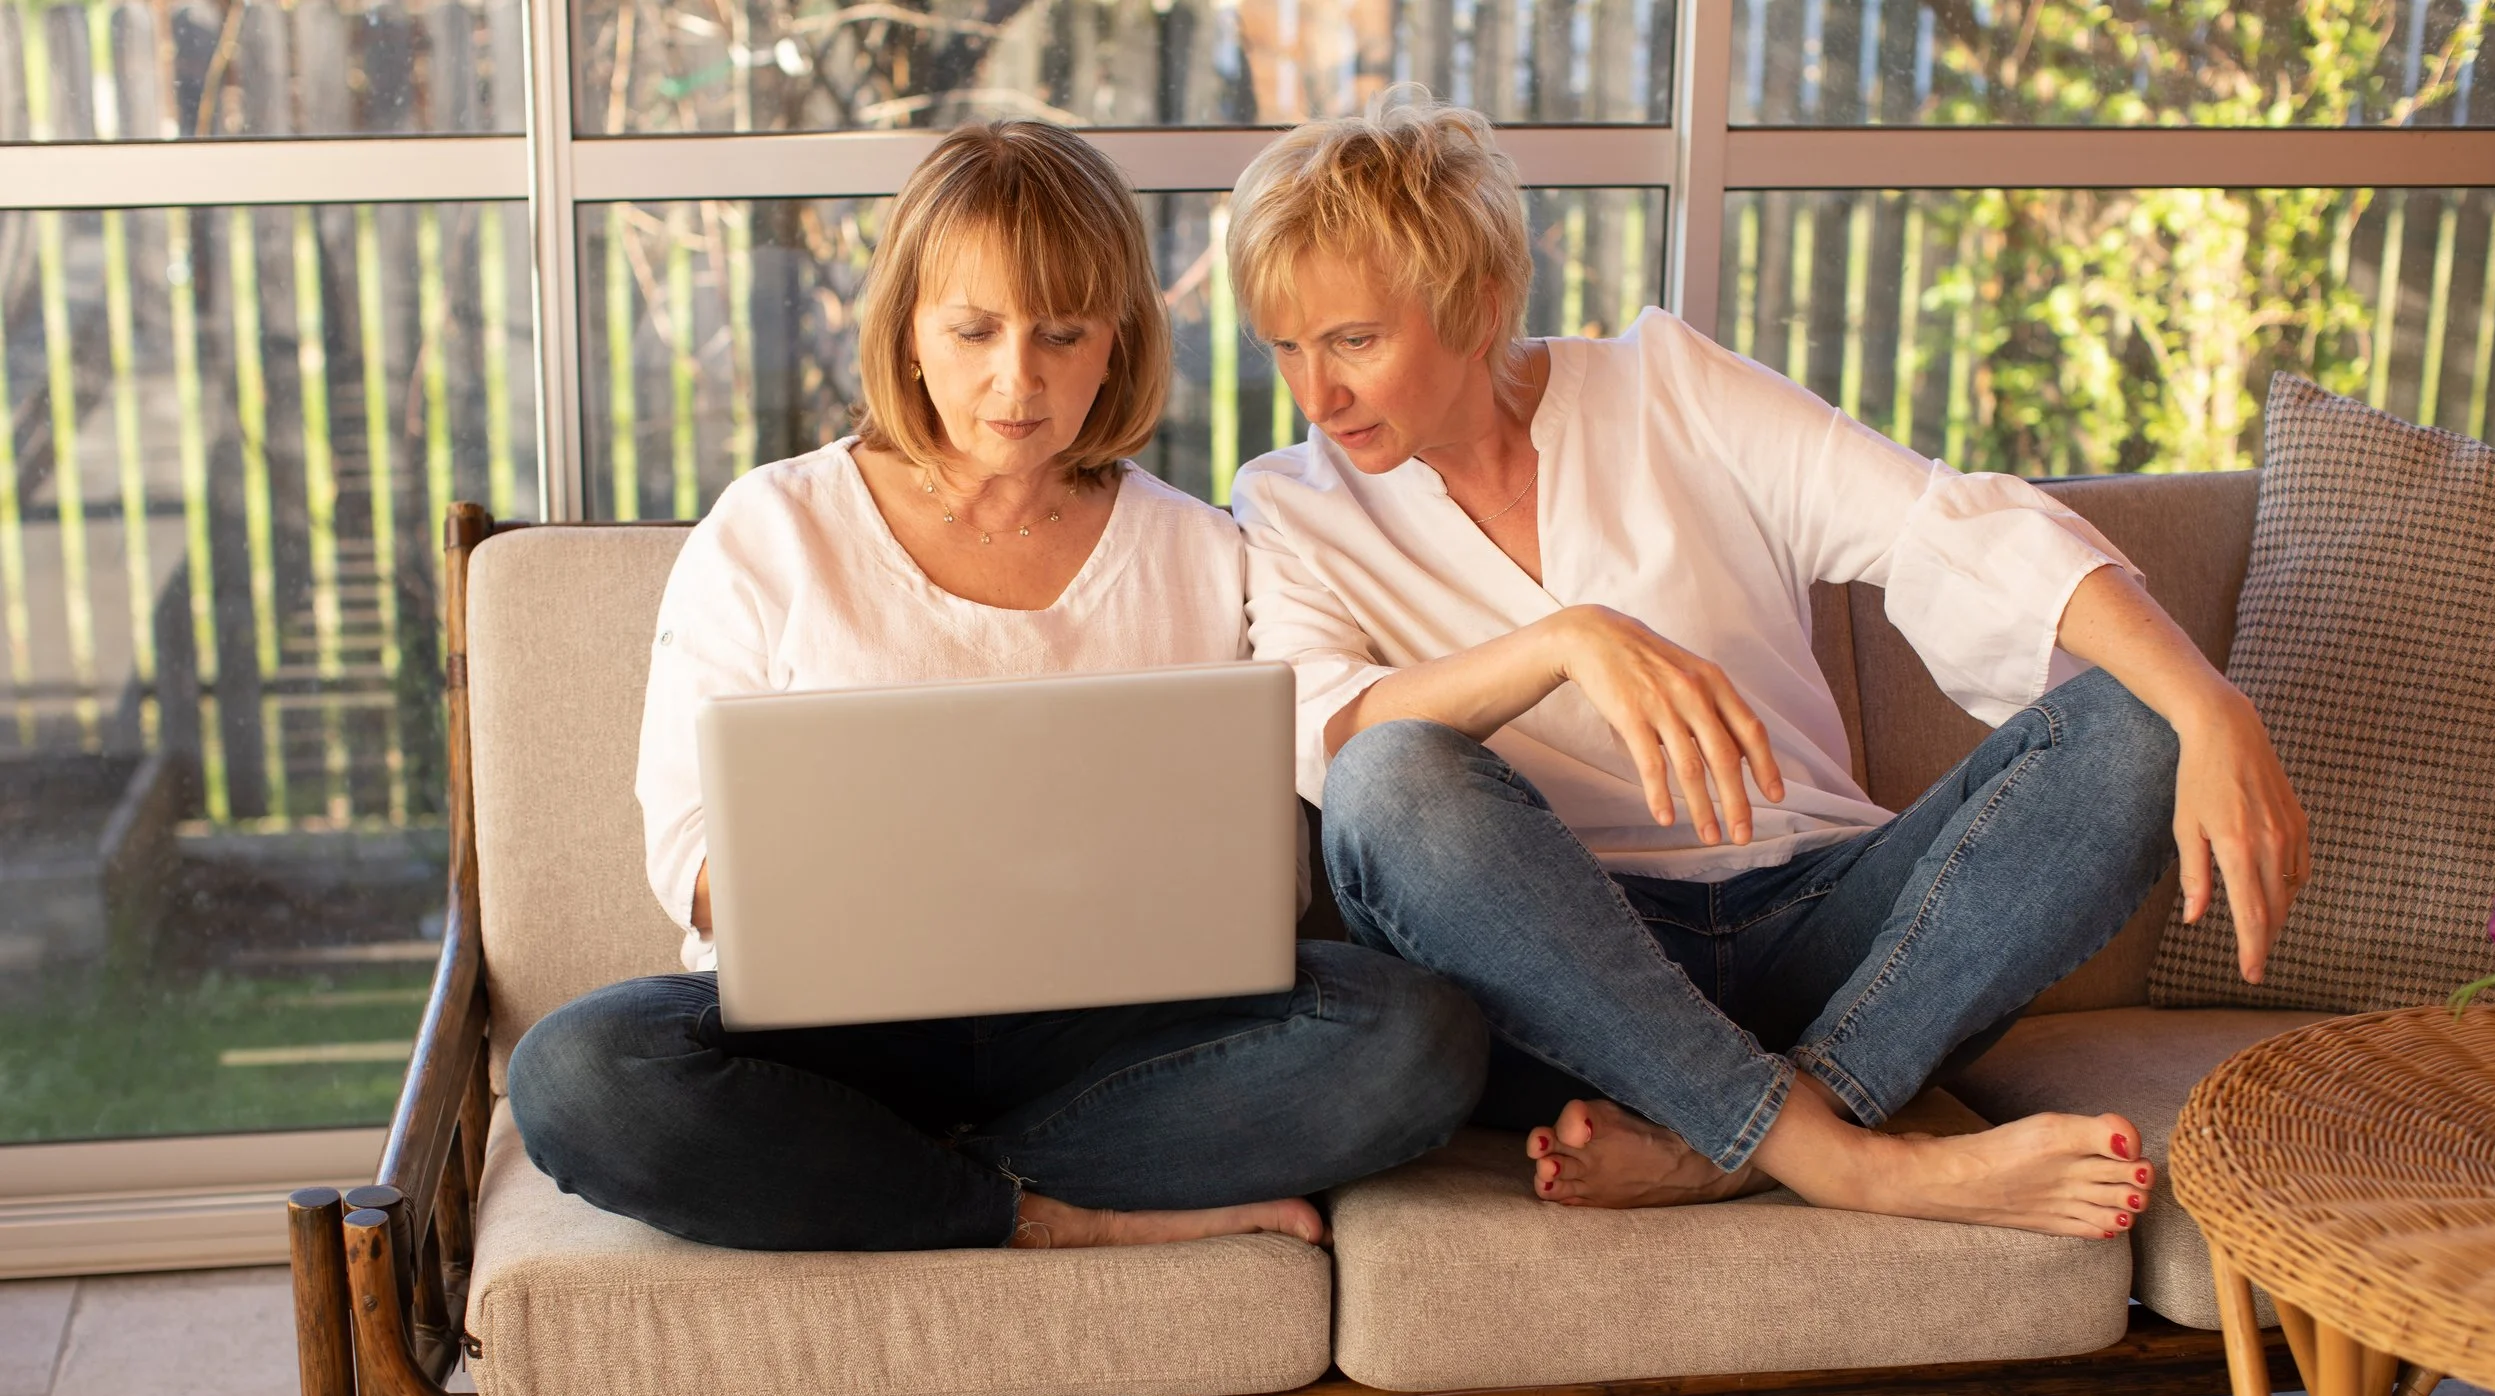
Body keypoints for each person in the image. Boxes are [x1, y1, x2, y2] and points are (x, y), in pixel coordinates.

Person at [1225, 91, 2309, 1240]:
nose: (1315, 393)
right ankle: (1847, 1159)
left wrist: (2210, 704)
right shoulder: (1289, 502)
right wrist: (1565, 641)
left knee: (2136, 725)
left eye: (1353, 340)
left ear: (1479, 304)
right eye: (1284, 346)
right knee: (1393, 779)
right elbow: (1330, 738)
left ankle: (1748, 1136)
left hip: (1822, 943)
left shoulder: (1670, 390)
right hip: (1550, 995)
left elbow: (1943, 527)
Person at [507, 120, 1486, 1255]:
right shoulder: (770, 530)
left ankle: (879, 1172)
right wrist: (908, 870)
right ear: (910, 334)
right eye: (973, 330)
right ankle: (1030, 1206)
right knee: (584, 1073)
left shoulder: (1201, 549)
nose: (1015, 380)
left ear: (1115, 342)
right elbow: (692, 867)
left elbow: (1261, 859)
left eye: (1061, 335)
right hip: (835, 1033)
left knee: (1417, 1036)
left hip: (1104, 1034)